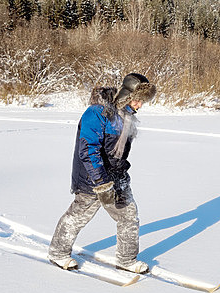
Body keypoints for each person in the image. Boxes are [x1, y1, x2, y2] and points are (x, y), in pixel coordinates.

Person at [48, 73, 156, 274]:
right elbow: (89, 149)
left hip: (117, 176)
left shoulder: (127, 117)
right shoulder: (97, 113)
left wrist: (119, 175)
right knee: (79, 215)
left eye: (143, 101)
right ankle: (58, 253)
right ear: (126, 95)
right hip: (93, 177)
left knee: (129, 216)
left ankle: (126, 259)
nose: (140, 105)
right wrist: (101, 182)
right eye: (137, 100)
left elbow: (119, 153)